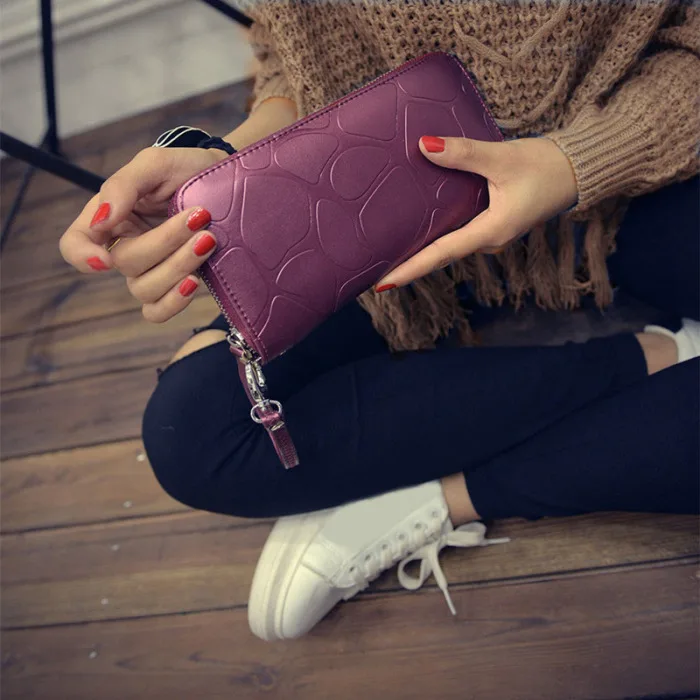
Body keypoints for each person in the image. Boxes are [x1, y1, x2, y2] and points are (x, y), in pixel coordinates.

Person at [59, 2, 699, 641]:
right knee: (194, 433)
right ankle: (658, 360)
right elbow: (292, 46)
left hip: (628, 179)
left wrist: (571, 163)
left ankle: (446, 498)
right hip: (383, 206)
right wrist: (239, 164)